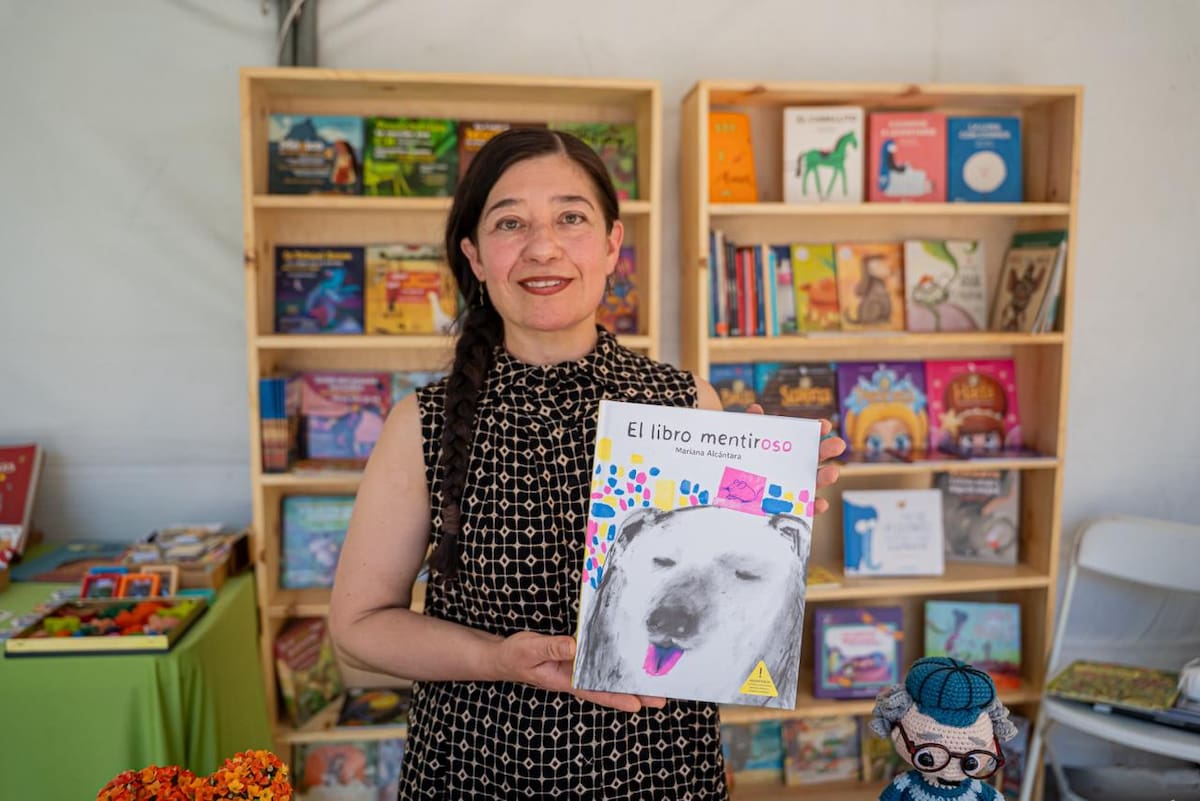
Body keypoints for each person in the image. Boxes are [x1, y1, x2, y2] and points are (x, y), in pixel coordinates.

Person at [329, 128, 846, 799]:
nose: (543, 246)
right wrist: (497, 660)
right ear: (476, 256)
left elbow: (733, 599)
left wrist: (776, 501)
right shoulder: (421, 422)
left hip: (654, 768)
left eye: (570, 217)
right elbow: (359, 626)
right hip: (478, 767)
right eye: (510, 222)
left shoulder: (686, 401)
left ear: (610, 245)